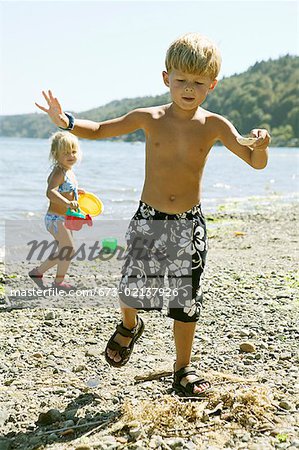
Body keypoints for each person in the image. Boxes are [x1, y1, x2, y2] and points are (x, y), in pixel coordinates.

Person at [36, 32, 270, 397]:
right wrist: (64, 120)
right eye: (181, 80)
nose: (188, 89)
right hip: (149, 217)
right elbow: (99, 129)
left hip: (189, 223)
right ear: (166, 78)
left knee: (185, 299)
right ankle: (130, 326)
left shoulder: (215, 125)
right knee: (130, 287)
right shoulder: (150, 117)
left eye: (197, 83)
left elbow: (255, 162)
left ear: (212, 84)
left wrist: (262, 143)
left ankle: (183, 368)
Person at [29, 131, 86, 292]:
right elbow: (51, 192)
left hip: (65, 218)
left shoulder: (70, 172)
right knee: (69, 249)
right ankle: (55, 281)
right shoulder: (58, 172)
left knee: (63, 250)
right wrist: (68, 202)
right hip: (55, 218)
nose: (71, 155)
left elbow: (66, 189)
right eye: (66, 152)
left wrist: (77, 191)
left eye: (73, 151)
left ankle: (40, 274)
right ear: (55, 154)